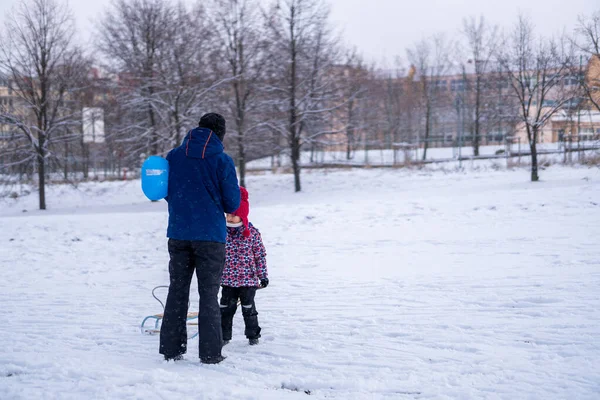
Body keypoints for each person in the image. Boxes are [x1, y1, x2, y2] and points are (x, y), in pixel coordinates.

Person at [159, 113, 240, 364]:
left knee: (177, 291)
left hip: (179, 234)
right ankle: (210, 353)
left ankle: (172, 349)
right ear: (220, 133)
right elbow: (232, 202)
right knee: (209, 295)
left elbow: (163, 190)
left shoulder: (173, 156)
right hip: (210, 238)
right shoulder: (221, 160)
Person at [220, 187, 269, 346]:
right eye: (228, 214)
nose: (229, 217)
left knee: (248, 308)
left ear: (241, 215)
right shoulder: (222, 232)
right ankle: (223, 336)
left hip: (248, 281)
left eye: (233, 215)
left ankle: (253, 335)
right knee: (226, 309)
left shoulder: (252, 233)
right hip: (227, 280)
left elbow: (260, 255)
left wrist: (263, 275)